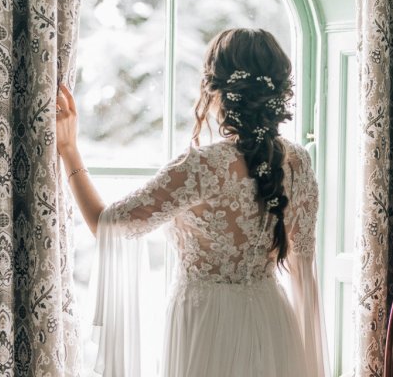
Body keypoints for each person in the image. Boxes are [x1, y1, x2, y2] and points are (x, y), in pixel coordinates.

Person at [56, 28, 329, 377]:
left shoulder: (201, 167)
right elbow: (304, 276)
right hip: (272, 317)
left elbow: (106, 225)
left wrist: (69, 151)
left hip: (206, 323)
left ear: (217, 92)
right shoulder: (298, 162)